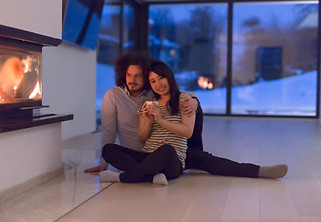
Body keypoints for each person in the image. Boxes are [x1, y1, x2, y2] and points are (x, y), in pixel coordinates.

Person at [84, 53, 288, 181]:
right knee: (109, 149)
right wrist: (148, 119)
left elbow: (182, 100)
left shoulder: (160, 95)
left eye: (139, 76)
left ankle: (260, 171)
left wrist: (194, 101)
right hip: (143, 154)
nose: (133, 80)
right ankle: (151, 175)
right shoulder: (125, 98)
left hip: (176, 153)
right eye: (129, 75)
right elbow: (131, 135)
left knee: (206, 159)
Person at [98, 61, 196, 185]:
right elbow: (142, 138)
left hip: (172, 160)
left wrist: (160, 119)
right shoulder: (149, 103)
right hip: (148, 156)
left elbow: (188, 132)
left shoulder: (184, 101)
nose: (158, 84)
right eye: (153, 81)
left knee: (167, 150)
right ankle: (151, 177)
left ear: (169, 77)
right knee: (108, 149)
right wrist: (148, 122)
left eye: (161, 78)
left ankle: (123, 177)